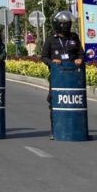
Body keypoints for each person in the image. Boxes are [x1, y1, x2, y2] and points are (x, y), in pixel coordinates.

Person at [40, 11, 84, 140]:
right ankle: (55, 130)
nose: (66, 26)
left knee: (75, 102)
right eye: (63, 23)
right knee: (55, 102)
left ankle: (77, 129)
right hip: (57, 77)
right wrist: (52, 63)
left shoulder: (74, 37)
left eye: (68, 23)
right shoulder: (51, 39)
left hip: (73, 77)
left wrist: (80, 59)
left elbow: (81, 53)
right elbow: (44, 56)